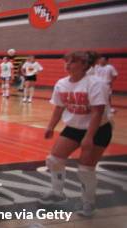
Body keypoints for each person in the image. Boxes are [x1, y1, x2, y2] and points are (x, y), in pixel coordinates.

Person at [41, 51, 111, 217]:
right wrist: (50, 126)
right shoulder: (61, 83)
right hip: (73, 128)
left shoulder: (95, 83)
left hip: (98, 130)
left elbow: (97, 112)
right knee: (54, 159)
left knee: (86, 169)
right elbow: (59, 107)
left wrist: (89, 137)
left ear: (85, 65)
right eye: (66, 62)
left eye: (72, 62)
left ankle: (88, 202)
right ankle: (57, 193)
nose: (68, 65)